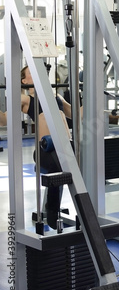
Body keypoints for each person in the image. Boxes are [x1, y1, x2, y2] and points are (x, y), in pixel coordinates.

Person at [0, 66, 73, 229]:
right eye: (32, 71)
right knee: (59, 164)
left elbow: (77, 113)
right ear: (24, 81)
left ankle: (87, 211)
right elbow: (4, 121)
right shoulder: (26, 99)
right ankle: (52, 208)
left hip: (66, 146)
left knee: (89, 157)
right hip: (45, 150)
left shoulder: (56, 97)